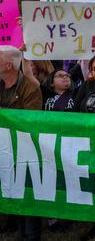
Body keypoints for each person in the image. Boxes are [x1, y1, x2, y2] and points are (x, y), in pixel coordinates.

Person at [0, 46, 43, 241]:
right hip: (4, 150)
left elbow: (30, 120)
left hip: (24, 150)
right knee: (11, 190)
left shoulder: (30, 87)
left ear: (8, 65)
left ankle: (31, 235)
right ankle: (18, 229)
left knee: (27, 193)